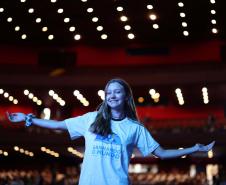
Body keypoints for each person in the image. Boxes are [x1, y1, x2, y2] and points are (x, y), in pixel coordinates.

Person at [7, 78, 215, 185]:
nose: (112, 95)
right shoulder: (91, 119)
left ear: (126, 97)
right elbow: (59, 125)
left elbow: (161, 153)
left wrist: (193, 148)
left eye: (117, 92)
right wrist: (29, 118)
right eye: (108, 92)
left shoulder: (135, 128)